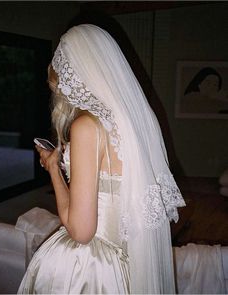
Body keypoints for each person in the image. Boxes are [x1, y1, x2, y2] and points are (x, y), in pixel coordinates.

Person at [18, 24, 185, 294]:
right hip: (126, 261)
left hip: (90, 268)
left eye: (61, 86)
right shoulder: (135, 121)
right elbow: (112, 183)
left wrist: (53, 170)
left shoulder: (86, 126)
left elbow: (81, 231)